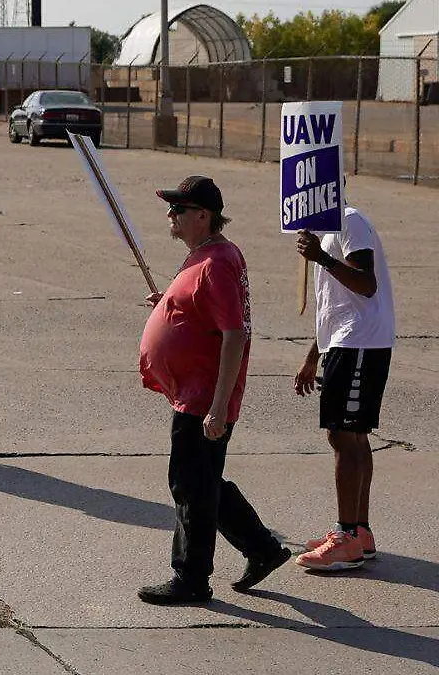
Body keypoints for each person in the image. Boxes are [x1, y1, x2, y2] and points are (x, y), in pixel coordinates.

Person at [136, 176, 291, 605]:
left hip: (204, 396)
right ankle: (262, 548)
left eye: (179, 209)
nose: (171, 216)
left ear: (203, 216)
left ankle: (191, 578)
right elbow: (201, 307)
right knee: (203, 482)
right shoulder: (204, 255)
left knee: (190, 485)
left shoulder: (217, 261)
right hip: (195, 391)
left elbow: (234, 334)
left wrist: (218, 407)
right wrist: (168, 303)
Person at [291, 201, 395, 571]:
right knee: (354, 435)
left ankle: (347, 536)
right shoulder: (322, 231)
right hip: (344, 341)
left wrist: (322, 258)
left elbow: (366, 284)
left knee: (343, 436)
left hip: (361, 342)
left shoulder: (349, 221)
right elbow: (333, 304)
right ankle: (360, 532)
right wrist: (313, 355)